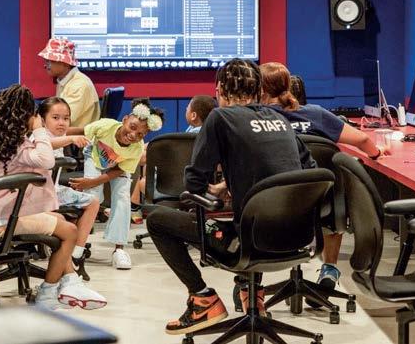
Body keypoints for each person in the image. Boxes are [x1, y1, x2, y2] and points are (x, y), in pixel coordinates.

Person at [146, 58, 315, 335]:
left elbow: (194, 182)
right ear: (259, 90)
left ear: (219, 91)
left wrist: (215, 193)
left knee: (157, 220)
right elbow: (308, 171)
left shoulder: (220, 118)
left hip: (249, 242)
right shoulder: (280, 119)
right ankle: (252, 294)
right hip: (297, 240)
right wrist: (233, 183)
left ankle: (202, 299)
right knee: (254, 213)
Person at [0, 84, 105, 311]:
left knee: (59, 219)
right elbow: (47, 160)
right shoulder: (17, 148)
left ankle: (70, 281)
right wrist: (38, 129)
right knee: (70, 232)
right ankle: (48, 293)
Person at [259, 61, 390, 308]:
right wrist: (377, 152)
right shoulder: (316, 114)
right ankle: (329, 268)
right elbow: (362, 139)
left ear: (260, 90)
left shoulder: (258, 119)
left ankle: (252, 285)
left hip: (273, 206)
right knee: (334, 192)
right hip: (322, 203)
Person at [68, 98, 164, 270]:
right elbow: (80, 131)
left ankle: (119, 249)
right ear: (125, 119)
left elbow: (119, 171)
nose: (134, 135)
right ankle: (78, 245)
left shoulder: (136, 148)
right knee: (93, 197)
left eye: (140, 134)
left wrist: (91, 181)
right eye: (132, 127)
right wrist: (54, 133)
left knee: (122, 197)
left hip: (118, 167)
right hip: (94, 156)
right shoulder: (106, 126)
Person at [129, 95, 217, 224]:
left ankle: (133, 207)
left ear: (193, 115)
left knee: (144, 170)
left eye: (187, 108)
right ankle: (134, 207)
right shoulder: (209, 136)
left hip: (171, 187)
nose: (185, 109)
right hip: (203, 188)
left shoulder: (183, 139)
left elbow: (143, 158)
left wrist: (138, 150)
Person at [37, 96, 100, 270]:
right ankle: (72, 253)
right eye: (55, 118)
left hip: (54, 189)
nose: (62, 123)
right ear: (42, 120)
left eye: (66, 118)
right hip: (40, 194)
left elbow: (67, 133)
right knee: (90, 203)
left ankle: (76, 253)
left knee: (93, 202)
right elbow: (47, 144)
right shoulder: (39, 136)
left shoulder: (58, 133)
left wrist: (89, 131)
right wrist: (71, 139)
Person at [38, 37, 100, 128]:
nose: (45, 65)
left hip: (76, 136)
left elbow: (61, 120)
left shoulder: (79, 85)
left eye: (50, 61)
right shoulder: (65, 81)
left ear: (65, 62)